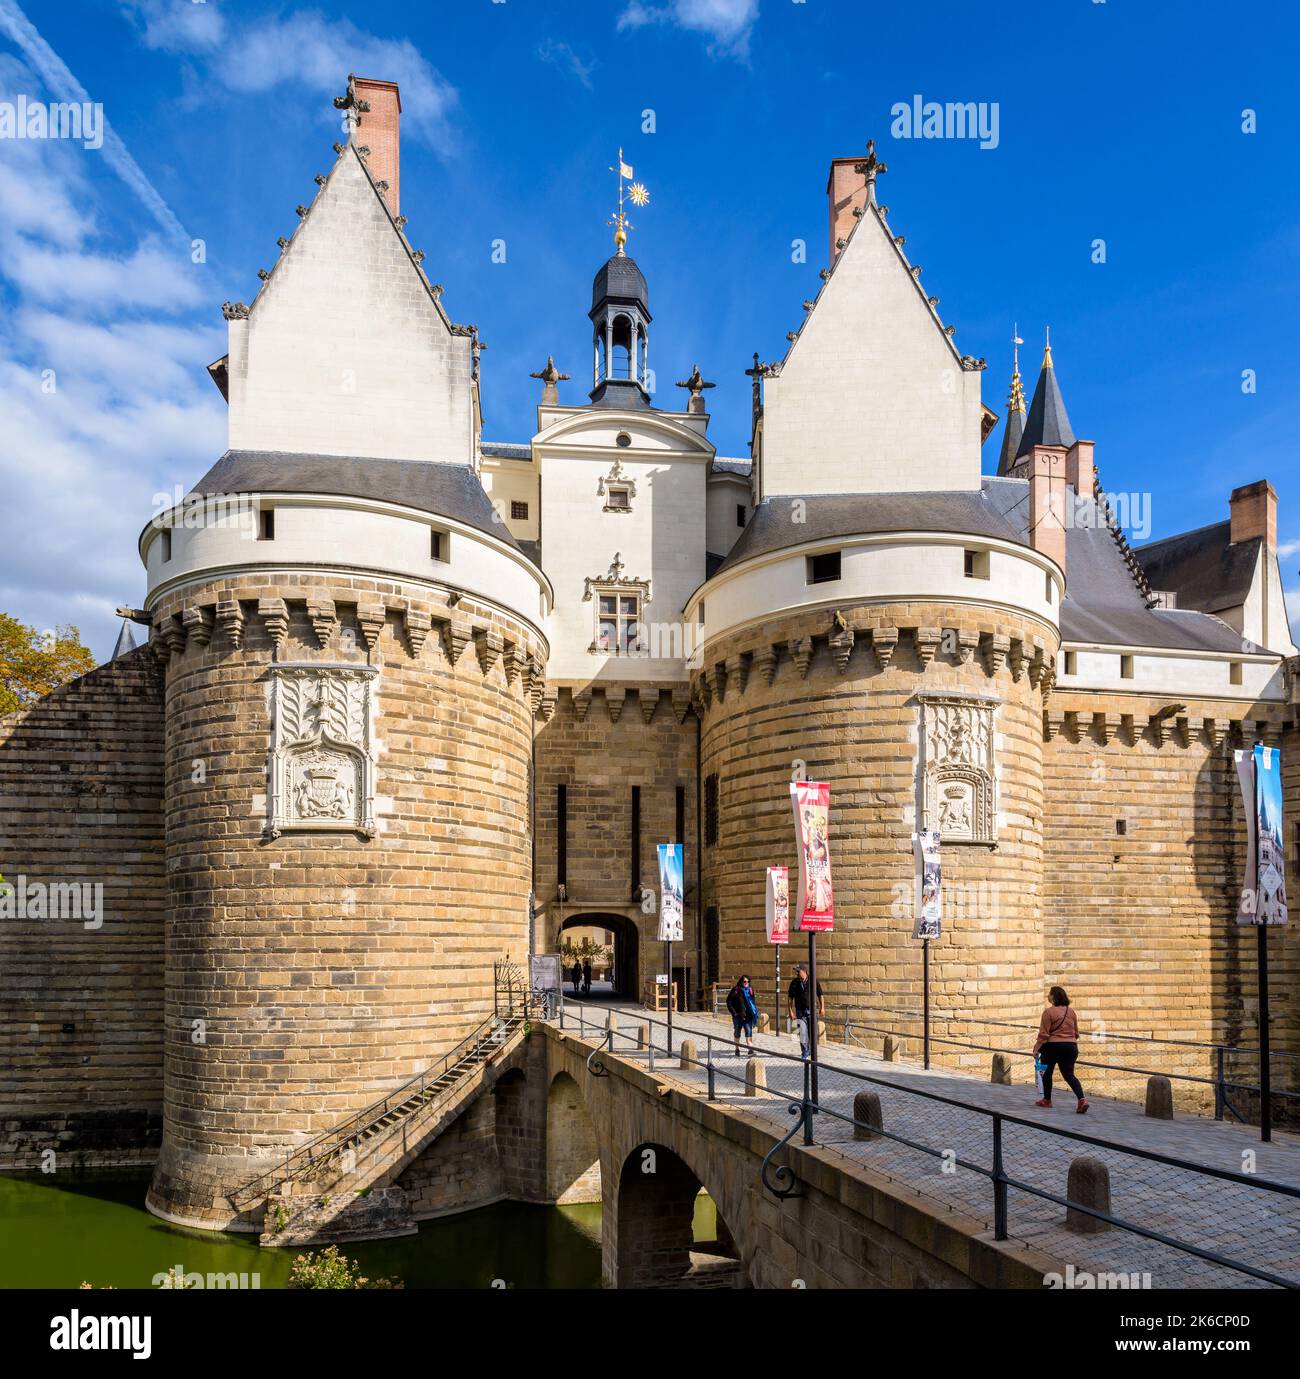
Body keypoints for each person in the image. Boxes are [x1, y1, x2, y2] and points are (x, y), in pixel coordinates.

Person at [1033, 985, 1089, 1113]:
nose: (1048, 995)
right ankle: (1082, 1100)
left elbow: (1044, 1035)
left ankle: (1047, 1100)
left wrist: (1036, 1049)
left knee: (1047, 1073)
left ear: (1053, 997)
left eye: (1050, 993)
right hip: (1071, 1047)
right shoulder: (1071, 1012)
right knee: (1069, 1075)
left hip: (1052, 1047)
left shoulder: (1048, 1013)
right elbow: (1076, 1033)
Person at [787, 962, 824, 1060]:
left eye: (798, 971)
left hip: (812, 1011)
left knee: (812, 1033)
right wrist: (790, 1011)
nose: (797, 973)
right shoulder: (794, 982)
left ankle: (812, 1050)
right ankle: (805, 1052)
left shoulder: (813, 981)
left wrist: (822, 1007)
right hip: (800, 1011)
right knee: (802, 1032)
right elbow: (790, 998)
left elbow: (820, 994)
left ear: (804, 971)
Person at [726, 975, 759, 1057]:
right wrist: (734, 1013)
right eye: (745, 981)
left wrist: (754, 1011)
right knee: (737, 1032)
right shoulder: (736, 990)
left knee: (749, 1032)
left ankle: (750, 1050)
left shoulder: (750, 990)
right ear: (741, 981)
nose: (746, 983)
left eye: (748, 981)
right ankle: (737, 1049)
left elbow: (753, 1001)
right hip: (738, 1016)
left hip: (748, 1015)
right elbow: (728, 1001)